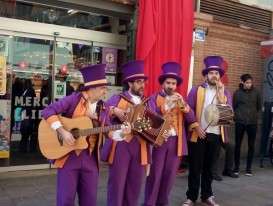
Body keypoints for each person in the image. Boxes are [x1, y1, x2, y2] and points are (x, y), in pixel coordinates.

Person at [42, 64, 131, 206]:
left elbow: (107, 130)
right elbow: (48, 111)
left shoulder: (104, 107)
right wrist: (63, 131)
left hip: (91, 158)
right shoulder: (73, 100)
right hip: (69, 156)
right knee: (65, 199)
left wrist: (122, 133)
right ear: (92, 89)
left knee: (89, 200)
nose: (105, 91)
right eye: (103, 88)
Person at [142, 62, 197, 206]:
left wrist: (184, 107)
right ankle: (149, 203)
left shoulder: (181, 99)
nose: (171, 86)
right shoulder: (154, 98)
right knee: (155, 174)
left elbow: (191, 118)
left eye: (173, 83)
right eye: (168, 83)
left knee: (169, 176)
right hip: (159, 141)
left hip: (176, 142)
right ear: (163, 83)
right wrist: (166, 106)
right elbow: (150, 117)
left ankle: (162, 203)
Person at [183, 56, 232, 206]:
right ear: (206, 75)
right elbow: (187, 109)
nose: (214, 76)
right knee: (195, 168)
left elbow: (228, 114)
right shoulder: (196, 90)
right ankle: (191, 197)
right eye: (211, 73)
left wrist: (222, 95)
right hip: (198, 133)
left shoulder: (225, 92)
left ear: (220, 76)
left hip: (216, 134)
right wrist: (195, 126)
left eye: (217, 73)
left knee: (210, 168)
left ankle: (207, 196)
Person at [100, 60, 151, 206]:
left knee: (135, 184)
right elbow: (102, 110)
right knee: (117, 182)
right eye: (139, 82)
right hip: (120, 146)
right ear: (130, 83)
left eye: (143, 82)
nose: (142, 85)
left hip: (140, 146)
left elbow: (156, 121)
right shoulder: (118, 98)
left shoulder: (148, 102)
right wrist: (114, 110)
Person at [233, 73, 262, 176]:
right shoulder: (237, 93)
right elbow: (234, 106)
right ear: (242, 82)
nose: (249, 84)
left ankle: (248, 168)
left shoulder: (257, 93)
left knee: (251, 146)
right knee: (238, 145)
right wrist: (238, 116)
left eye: (250, 82)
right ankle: (236, 167)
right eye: (247, 82)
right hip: (240, 122)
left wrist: (253, 116)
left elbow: (259, 106)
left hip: (252, 123)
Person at [19, 79, 36, 153]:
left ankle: (25, 148)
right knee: (26, 131)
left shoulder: (29, 91)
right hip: (26, 112)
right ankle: (26, 148)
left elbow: (29, 102)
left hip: (28, 113)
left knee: (26, 131)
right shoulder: (27, 90)